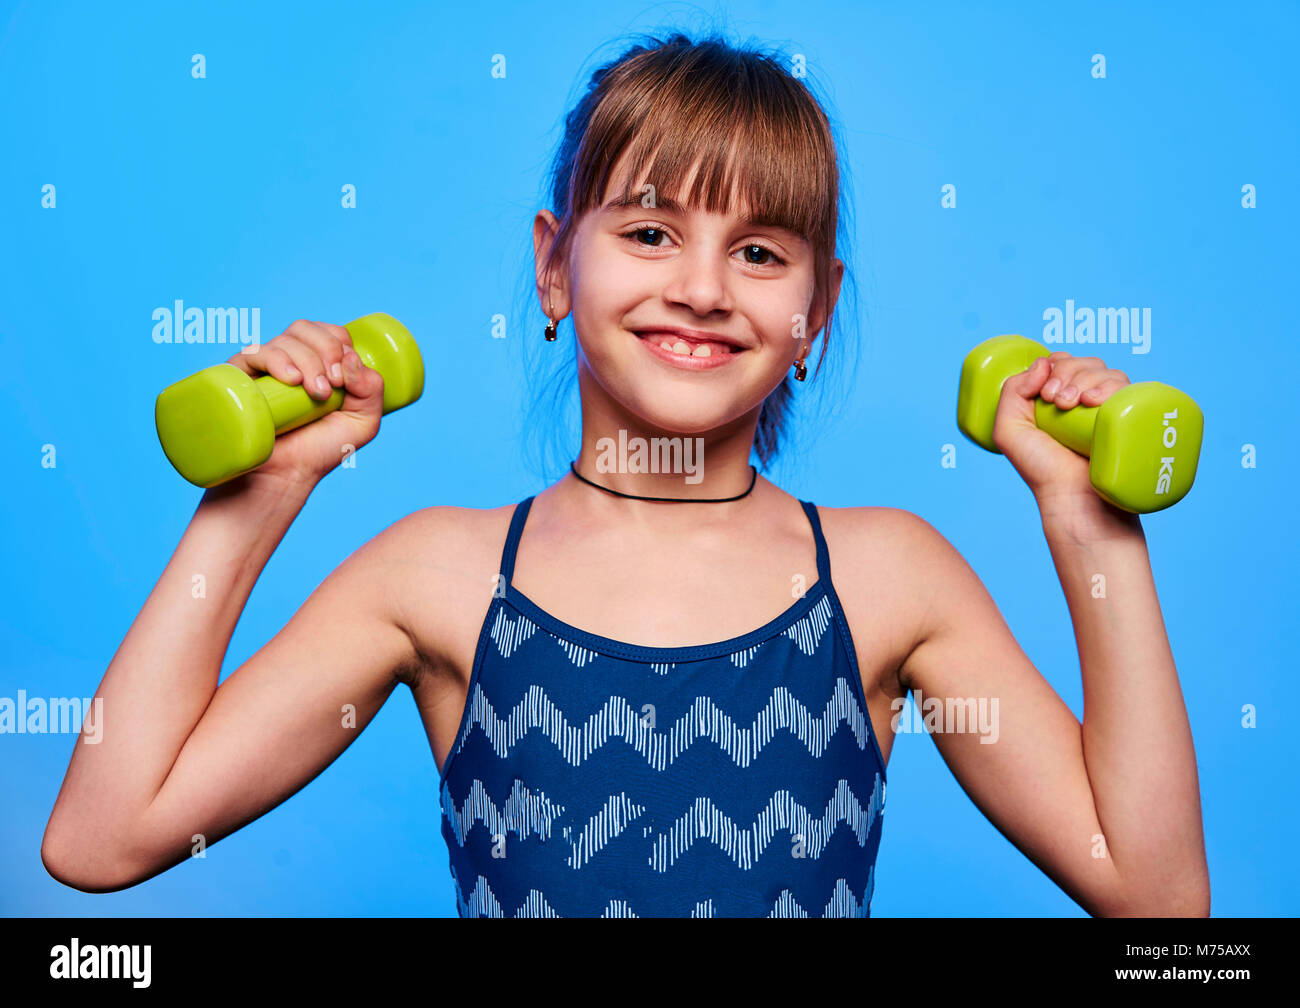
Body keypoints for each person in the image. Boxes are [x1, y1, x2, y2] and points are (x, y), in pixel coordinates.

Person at [41, 31, 1209, 917]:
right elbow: (105, 838)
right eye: (649, 232)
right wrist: (259, 495)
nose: (702, 287)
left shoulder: (889, 577)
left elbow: (1158, 903)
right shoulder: (437, 575)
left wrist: (1090, 525)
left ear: (816, 311)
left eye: (759, 253)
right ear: (555, 267)